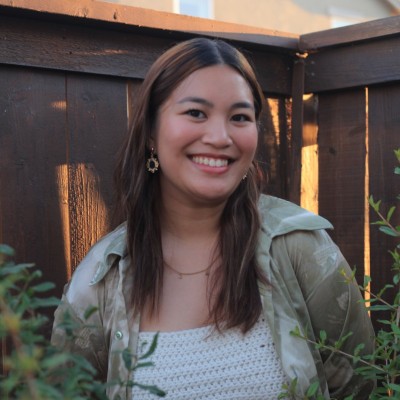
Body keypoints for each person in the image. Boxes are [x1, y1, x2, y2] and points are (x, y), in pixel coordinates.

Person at [51, 37, 375, 399]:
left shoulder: (300, 247)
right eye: (196, 113)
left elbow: (359, 386)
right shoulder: (100, 279)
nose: (220, 137)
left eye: (239, 117)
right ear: (151, 133)